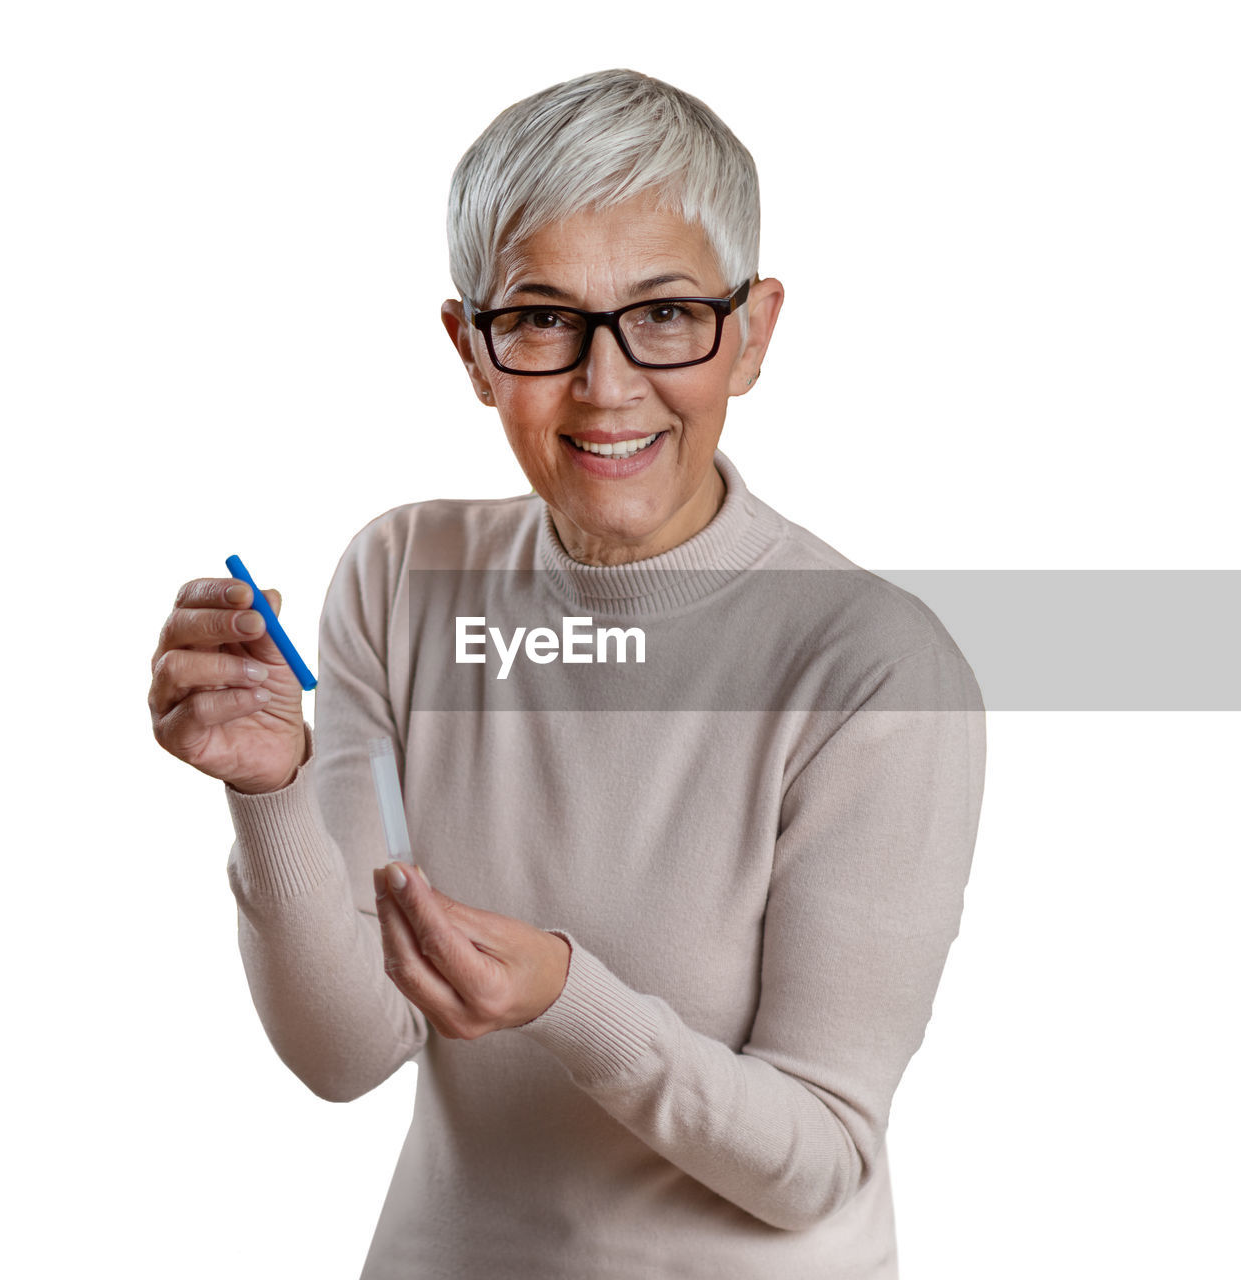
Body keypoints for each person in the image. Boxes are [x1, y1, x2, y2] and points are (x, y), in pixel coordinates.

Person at [149, 69, 986, 1279]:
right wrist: (269, 787)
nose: (605, 384)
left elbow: (814, 1155)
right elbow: (344, 1049)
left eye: (664, 314)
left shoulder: (870, 665)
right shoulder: (404, 576)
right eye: (542, 318)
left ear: (750, 332)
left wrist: (566, 998)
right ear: (471, 349)